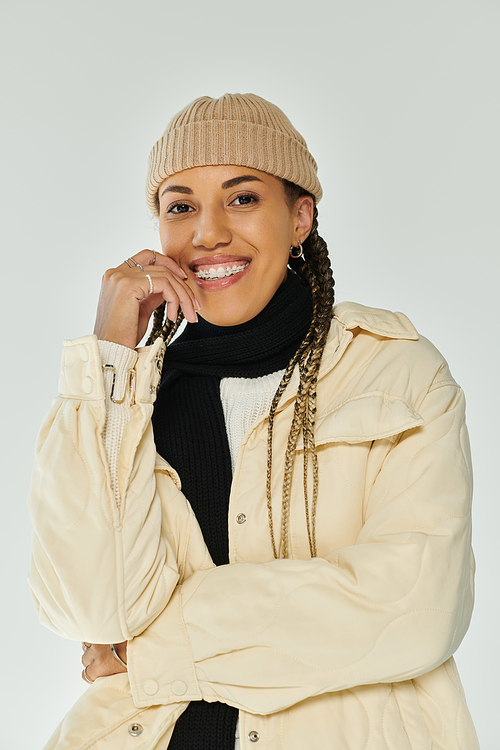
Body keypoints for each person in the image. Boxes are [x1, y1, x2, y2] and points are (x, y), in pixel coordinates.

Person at [28, 93, 479, 749]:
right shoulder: (131, 395)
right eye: (180, 206)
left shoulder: (395, 372)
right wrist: (107, 361)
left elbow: (415, 604)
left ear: (300, 218)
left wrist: (151, 649)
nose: (207, 232)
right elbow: (90, 609)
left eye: (241, 198)